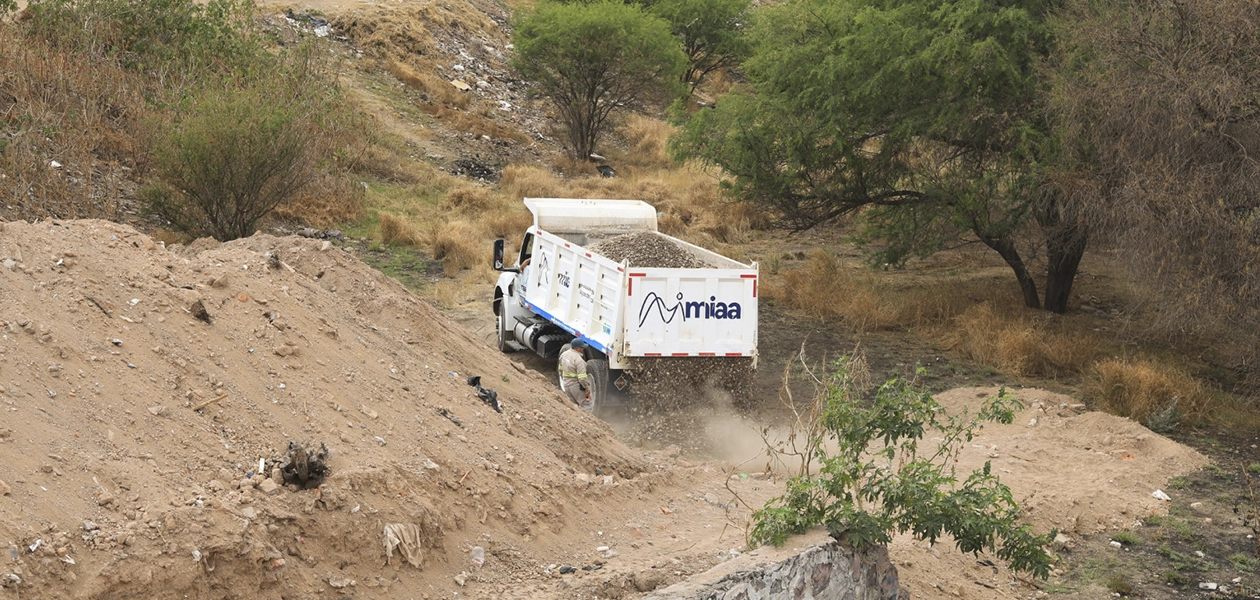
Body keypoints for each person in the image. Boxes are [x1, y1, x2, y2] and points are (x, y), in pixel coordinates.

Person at [559, 339, 592, 412]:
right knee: (586, 405)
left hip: (566, 385)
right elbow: (582, 378)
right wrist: (587, 389)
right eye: (582, 347)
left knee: (573, 406)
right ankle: (586, 422)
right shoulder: (579, 360)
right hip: (576, 386)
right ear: (577, 348)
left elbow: (560, 370)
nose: (583, 349)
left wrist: (564, 380)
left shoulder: (564, 355)